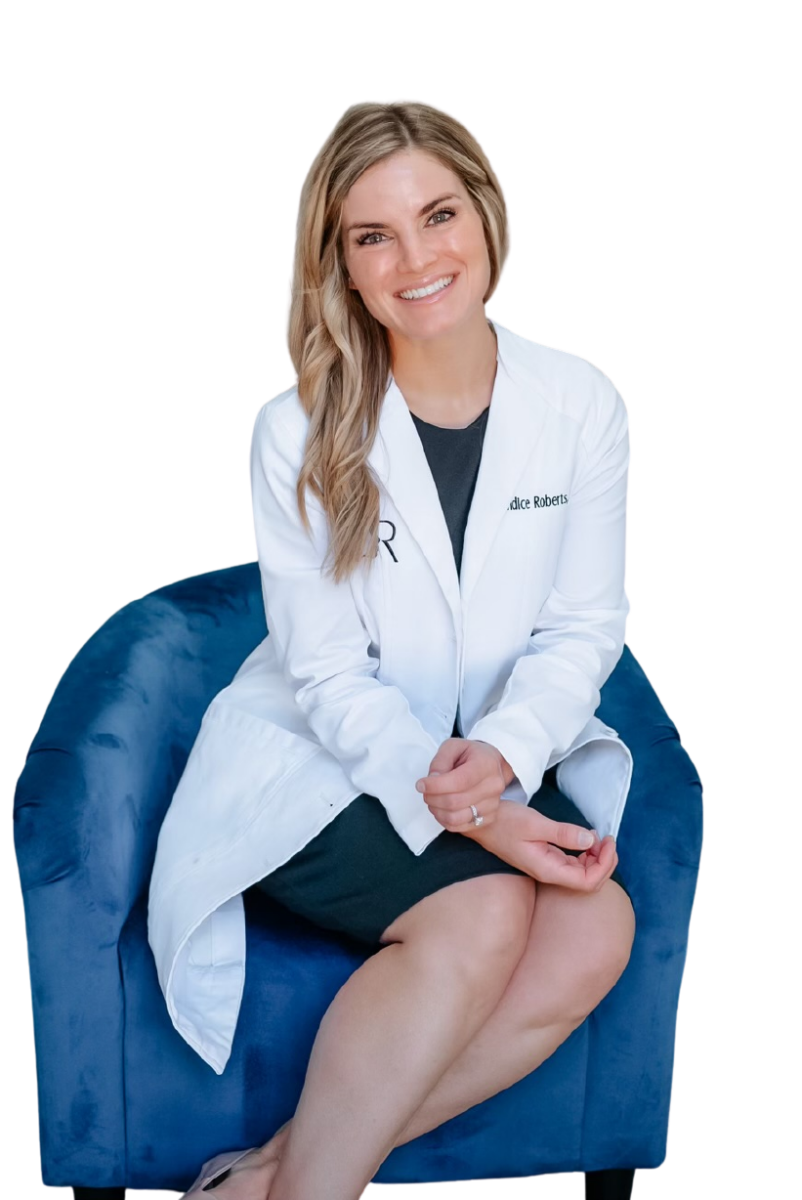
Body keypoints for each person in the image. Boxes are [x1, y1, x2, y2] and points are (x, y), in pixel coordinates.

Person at [153, 97, 636, 1199]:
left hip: (488, 757)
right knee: (485, 910)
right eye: (375, 236)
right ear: (343, 267)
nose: (417, 261)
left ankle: (270, 1178)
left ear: (487, 216)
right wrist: (490, 816)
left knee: (596, 929)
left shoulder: (581, 402)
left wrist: (508, 754)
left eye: (438, 216)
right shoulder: (294, 429)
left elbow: (583, 625)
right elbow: (327, 674)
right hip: (324, 770)